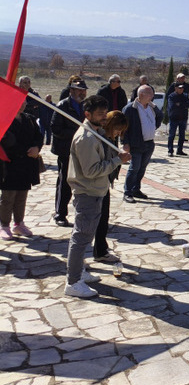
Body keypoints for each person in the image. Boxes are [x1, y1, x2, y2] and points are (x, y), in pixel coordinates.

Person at [64, 95, 131, 298]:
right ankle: (73, 282)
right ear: (87, 114)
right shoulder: (86, 138)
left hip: (96, 191)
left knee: (85, 236)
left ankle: (80, 271)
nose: (104, 118)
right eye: (100, 114)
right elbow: (91, 170)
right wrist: (117, 161)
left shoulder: (97, 133)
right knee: (81, 236)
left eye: (105, 113)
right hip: (87, 192)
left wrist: (115, 154)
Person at [0, 100, 43, 240]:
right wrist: (26, 151)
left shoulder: (29, 119)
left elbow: (39, 136)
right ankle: (4, 225)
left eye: (23, 102)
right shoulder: (5, 120)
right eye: (18, 102)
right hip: (10, 164)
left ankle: (19, 223)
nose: (21, 104)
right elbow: (6, 142)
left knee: (21, 195)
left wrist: (37, 148)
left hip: (26, 164)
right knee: (8, 197)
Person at [51, 78, 88, 227]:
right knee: (64, 183)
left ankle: (83, 214)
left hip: (82, 151)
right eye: (79, 90)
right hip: (66, 151)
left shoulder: (86, 107)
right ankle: (60, 213)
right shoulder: (62, 106)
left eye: (84, 90)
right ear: (71, 91)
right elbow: (55, 129)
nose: (82, 93)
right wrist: (76, 132)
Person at [93, 111, 128, 262]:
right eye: (118, 130)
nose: (119, 134)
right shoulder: (98, 138)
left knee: (104, 217)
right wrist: (118, 160)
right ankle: (96, 251)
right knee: (95, 220)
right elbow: (99, 164)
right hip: (94, 184)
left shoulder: (110, 139)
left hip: (105, 182)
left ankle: (101, 249)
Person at [121, 85, 163, 203]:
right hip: (136, 144)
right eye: (149, 94)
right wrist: (125, 142)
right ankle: (127, 192)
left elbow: (160, 116)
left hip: (149, 143)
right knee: (134, 168)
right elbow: (124, 127)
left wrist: (153, 127)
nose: (152, 96)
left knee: (142, 168)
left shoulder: (151, 107)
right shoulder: (130, 108)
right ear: (141, 95)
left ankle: (136, 189)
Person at [166, 83, 189, 157]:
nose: (181, 89)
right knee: (172, 135)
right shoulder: (172, 96)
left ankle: (180, 150)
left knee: (182, 136)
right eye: (179, 88)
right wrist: (184, 105)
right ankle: (170, 150)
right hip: (174, 118)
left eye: (182, 88)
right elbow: (172, 106)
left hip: (183, 118)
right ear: (176, 88)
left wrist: (181, 104)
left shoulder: (185, 96)